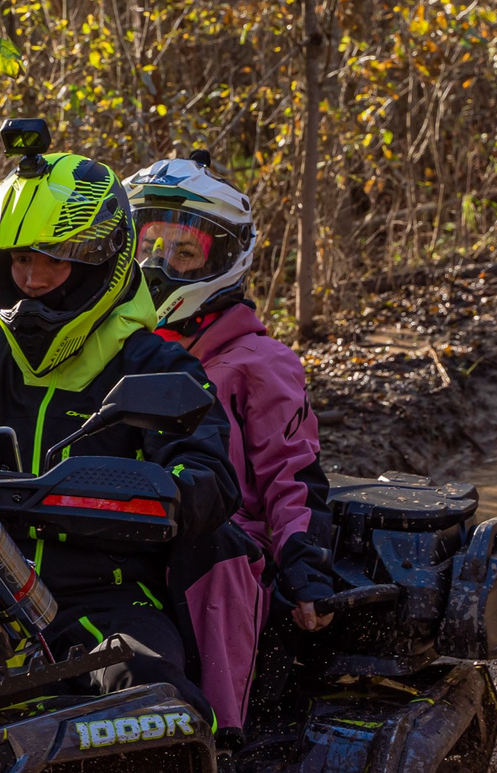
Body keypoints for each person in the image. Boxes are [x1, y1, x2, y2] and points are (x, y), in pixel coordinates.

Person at [0, 128, 238, 717]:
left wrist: (107, 495)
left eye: (51, 263)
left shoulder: (156, 364)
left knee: (156, 704)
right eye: (19, 260)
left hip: (101, 604)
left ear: (96, 263)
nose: (30, 281)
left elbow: (207, 481)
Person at [124, 152, 338, 736]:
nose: (161, 265)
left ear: (223, 258)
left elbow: (293, 474)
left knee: (208, 547)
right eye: (149, 248)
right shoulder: (121, 351)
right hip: (131, 521)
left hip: (228, 548)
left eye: (184, 251)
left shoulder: (259, 363)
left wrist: (304, 565)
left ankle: (220, 744)